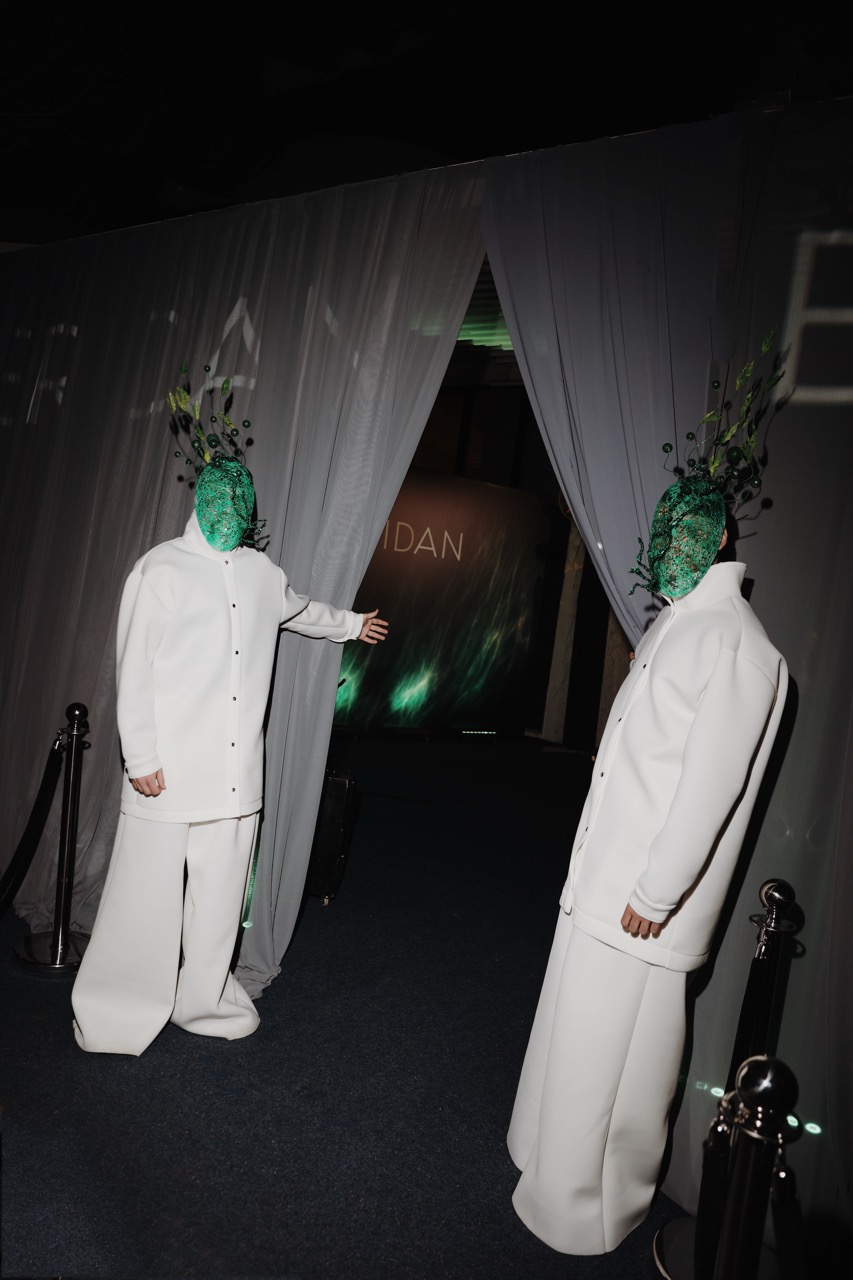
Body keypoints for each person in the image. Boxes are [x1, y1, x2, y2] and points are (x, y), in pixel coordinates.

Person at [506, 472, 788, 1255]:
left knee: (612, 1062)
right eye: (666, 528)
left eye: (690, 529)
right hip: (605, 874)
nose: (672, 543)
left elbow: (710, 788)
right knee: (579, 1041)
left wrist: (657, 891)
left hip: (640, 893)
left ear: (721, 537)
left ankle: (579, 1209)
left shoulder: (737, 644)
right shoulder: (681, 622)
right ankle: (543, 1161)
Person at [71, 457, 388, 1056]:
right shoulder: (159, 569)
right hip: (166, 773)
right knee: (144, 899)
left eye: (239, 502)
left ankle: (204, 1001)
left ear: (249, 511)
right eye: (220, 498)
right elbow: (132, 667)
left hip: (237, 779)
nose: (229, 511)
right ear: (201, 500)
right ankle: (119, 1007)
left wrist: (350, 624)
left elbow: (299, 609)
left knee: (220, 900)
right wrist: (140, 756)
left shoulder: (261, 572)